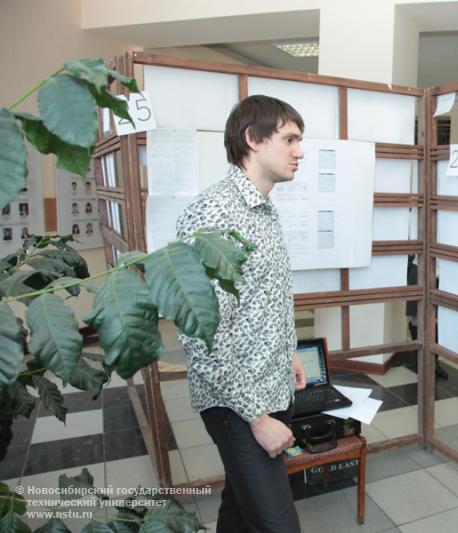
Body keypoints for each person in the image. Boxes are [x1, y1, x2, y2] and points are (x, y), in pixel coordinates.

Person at [175, 95, 307, 532]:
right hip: (237, 404)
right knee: (277, 525)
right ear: (253, 138)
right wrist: (257, 417)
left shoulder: (264, 209)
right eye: (289, 138)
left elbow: (266, 296)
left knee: (239, 509)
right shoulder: (213, 213)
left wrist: (289, 351)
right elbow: (202, 335)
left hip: (271, 386)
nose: (299, 151)